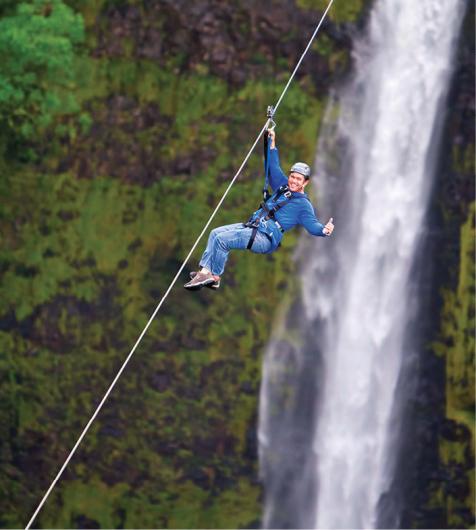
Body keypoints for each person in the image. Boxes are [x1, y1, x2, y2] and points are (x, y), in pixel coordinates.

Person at [184, 129, 334, 290]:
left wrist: (324, 230)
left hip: (264, 237)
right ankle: (205, 272)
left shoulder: (304, 205)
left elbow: (313, 226)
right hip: (254, 226)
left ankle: (214, 277)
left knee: (222, 241)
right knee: (215, 233)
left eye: (299, 179)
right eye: (293, 176)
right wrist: (271, 142)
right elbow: (273, 166)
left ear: (305, 183)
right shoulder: (283, 186)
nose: (294, 181)